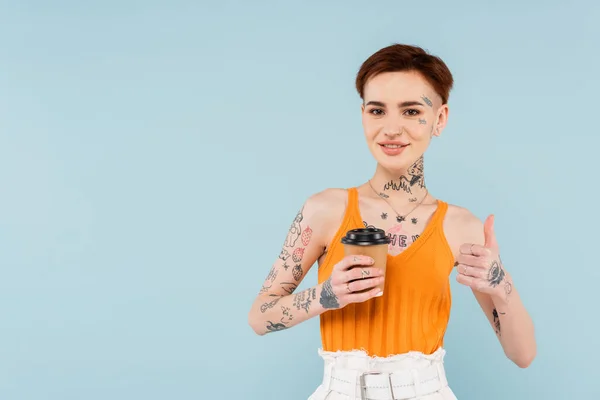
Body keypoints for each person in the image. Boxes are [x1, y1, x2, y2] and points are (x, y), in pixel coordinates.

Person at [247, 43, 536, 400]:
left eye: (412, 111)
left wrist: (499, 283)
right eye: (377, 110)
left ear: (439, 119)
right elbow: (260, 318)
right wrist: (327, 295)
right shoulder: (325, 209)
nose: (391, 128)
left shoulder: (461, 227)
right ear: (363, 115)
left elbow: (522, 355)